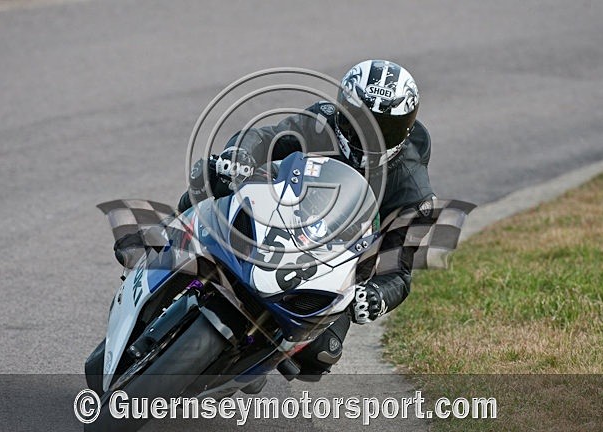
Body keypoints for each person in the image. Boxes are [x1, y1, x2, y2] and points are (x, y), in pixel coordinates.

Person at [176, 59, 436, 380]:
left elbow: (400, 270)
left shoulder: (413, 186)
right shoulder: (321, 123)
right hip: (280, 213)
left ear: (405, 130)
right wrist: (240, 155)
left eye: (386, 129)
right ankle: (162, 240)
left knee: (322, 353)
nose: (370, 136)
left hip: (335, 262)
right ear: (342, 110)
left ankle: (249, 360)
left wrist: (379, 296)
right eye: (360, 121)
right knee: (212, 174)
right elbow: (266, 137)